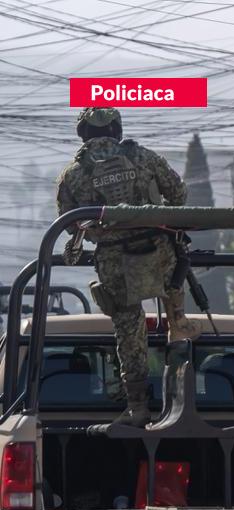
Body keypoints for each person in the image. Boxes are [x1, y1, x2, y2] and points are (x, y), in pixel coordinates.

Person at [55, 106, 200, 427]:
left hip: (114, 261)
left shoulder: (73, 175)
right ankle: (184, 399)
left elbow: (69, 224)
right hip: (161, 253)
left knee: (128, 330)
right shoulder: (144, 157)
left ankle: (137, 406)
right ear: (117, 131)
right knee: (177, 324)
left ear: (83, 134)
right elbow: (178, 194)